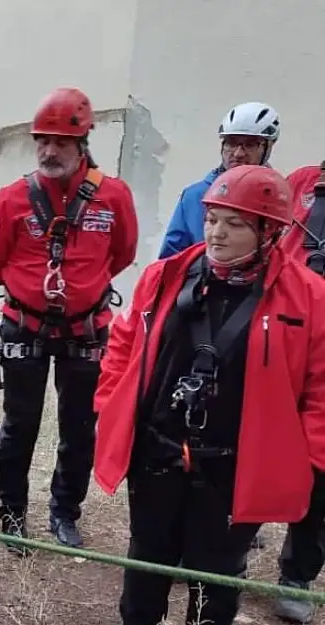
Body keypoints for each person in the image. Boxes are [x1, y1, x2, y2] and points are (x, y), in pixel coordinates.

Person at [93, 164, 325, 625]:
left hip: (234, 469)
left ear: (269, 230)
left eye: (234, 223)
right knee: (143, 579)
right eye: (212, 219)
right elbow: (122, 344)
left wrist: (306, 460)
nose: (217, 233)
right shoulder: (166, 277)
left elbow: (320, 389)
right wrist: (108, 405)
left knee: (214, 593)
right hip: (157, 457)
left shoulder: (309, 299)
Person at [0, 86, 138, 552]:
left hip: (86, 330)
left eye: (60, 143)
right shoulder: (13, 199)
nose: (49, 151)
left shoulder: (114, 197)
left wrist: (83, 291)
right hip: (24, 327)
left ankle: (65, 512)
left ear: (83, 144)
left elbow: (123, 252)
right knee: (19, 423)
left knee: (80, 426)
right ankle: (12, 515)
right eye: (42, 141)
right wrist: (31, 291)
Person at [272, 161, 325, 624]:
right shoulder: (305, 181)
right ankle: (221, 550)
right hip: (288, 327)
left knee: (321, 462)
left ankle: (297, 576)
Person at [158, 102, 281, 259]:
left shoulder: (280, 198)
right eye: (231, 143)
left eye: (250, 145)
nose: (238, 153)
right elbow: (170, 260)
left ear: (268, 148)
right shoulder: (195, 195)